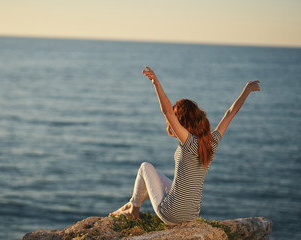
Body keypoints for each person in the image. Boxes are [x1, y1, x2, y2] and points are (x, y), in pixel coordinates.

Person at [110, 66, 260, 225]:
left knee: (145, 167)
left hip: (170, 214)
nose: (172, 121)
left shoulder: (189, 142)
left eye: (176, 118)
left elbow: (167, 111)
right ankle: (132, 204)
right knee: (157, 176)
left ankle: (133, 208)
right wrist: (247, 91)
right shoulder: (212, 141)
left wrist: (156, 84)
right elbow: (231, 113)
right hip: (192, 215)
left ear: (183, 122)